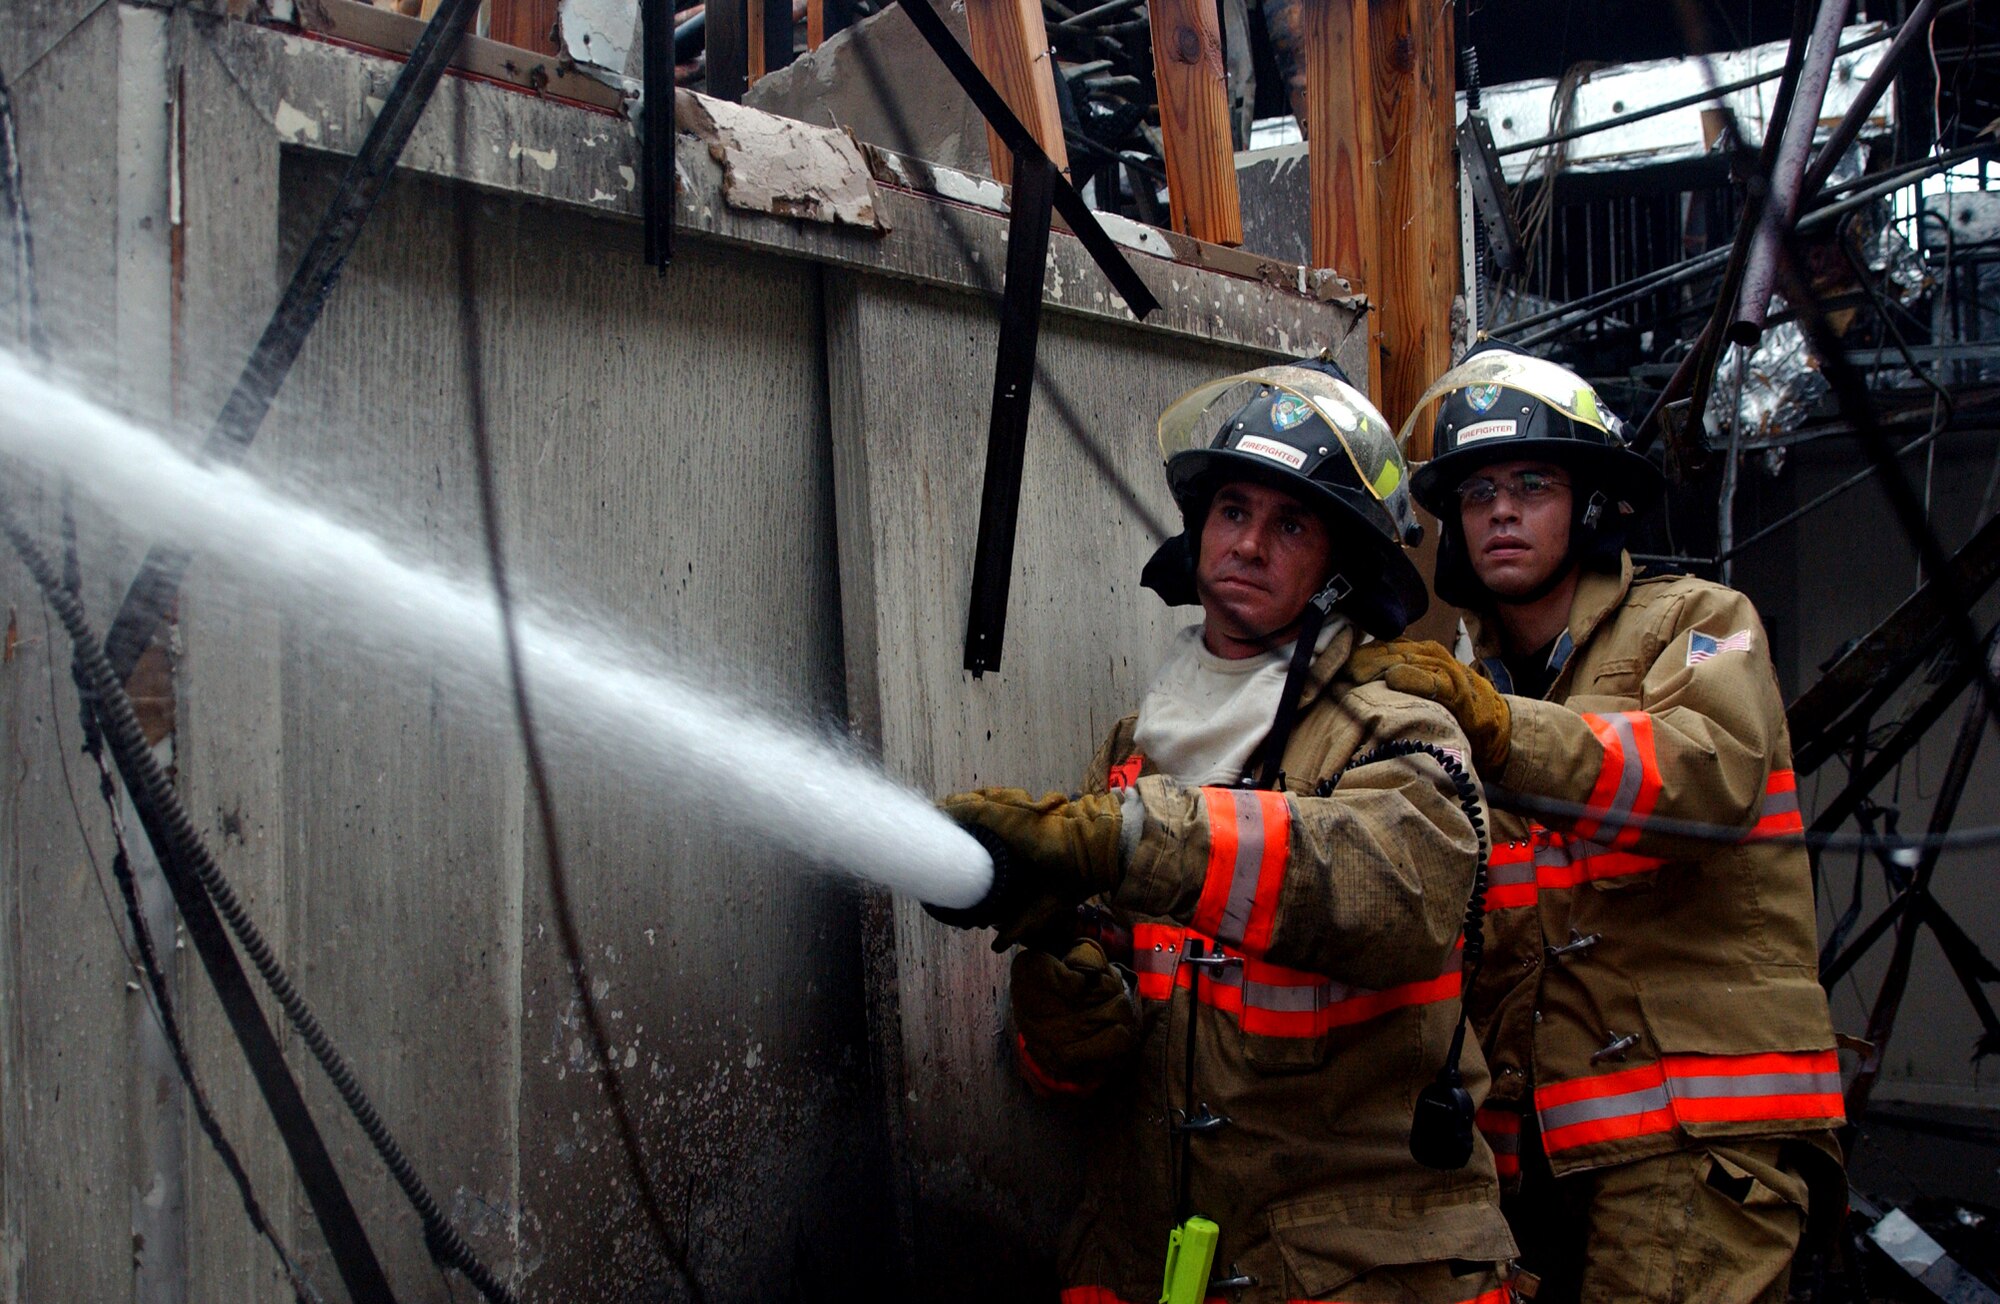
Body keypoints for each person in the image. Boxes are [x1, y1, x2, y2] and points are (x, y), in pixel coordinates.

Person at [926, 356, 1516, 1304]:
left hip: (1349, 1272)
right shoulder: (1141, 742)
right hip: (1148, 1256)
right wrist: (1068, 999)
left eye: (1290, 525)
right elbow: (1083, 1063)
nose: (1248, 544)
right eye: (1233, 512)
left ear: (1340, 571)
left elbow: (1394, 895)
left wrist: (1125, 844)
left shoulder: (1398, 728)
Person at [1347, 341, 1844, 1303]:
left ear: (1591, 504)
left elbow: (1708, 775)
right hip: (1524, 1156)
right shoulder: (1458, 685)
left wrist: (1493, 726)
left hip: (1690, 1136)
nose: (1500, 509)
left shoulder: (1698, 621)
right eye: (1477, 491)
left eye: (1532, 482)